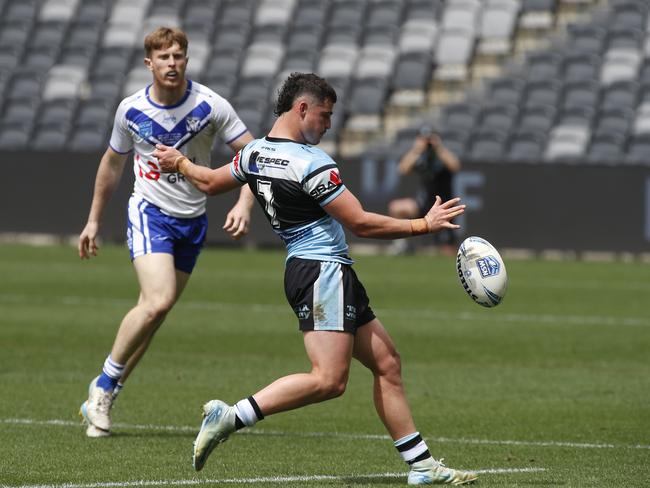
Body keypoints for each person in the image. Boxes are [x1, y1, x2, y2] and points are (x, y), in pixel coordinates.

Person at [153, 73, 477, 485]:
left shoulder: (254, 153)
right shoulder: (311, 163)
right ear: (301, 108)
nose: (327, 125)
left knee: (387, 363)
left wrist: (179, 162)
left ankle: (422, 466)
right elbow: (360, 223)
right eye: (324, 116)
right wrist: (422, 225)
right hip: (322, 271)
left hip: (317, 269)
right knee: (328, 380)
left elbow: (210, 182)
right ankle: (232, 416)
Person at [77, 26, 256, 438]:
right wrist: (93, 220)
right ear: (149, 63)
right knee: (157, 302)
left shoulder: (211, 106)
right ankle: (102, 387)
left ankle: (106, 396)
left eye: (178, 56)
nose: (171, 63)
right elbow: (111, 164)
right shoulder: (131, 110)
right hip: (149, 212)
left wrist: (244, 203)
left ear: (186, 60)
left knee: (153, 314)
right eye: (163, 57)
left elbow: (252, 156)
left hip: (192, 220)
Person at [388, 126, 461, 256]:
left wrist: (439, 147)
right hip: (424, 203)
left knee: (448, 250)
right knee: (397, 207)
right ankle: (402, 245)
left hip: (443, 205)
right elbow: (403, 169)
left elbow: (455, 166)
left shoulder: (441, 156)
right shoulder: (421, 157)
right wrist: (416, 150)